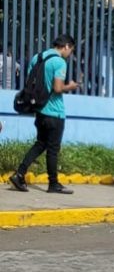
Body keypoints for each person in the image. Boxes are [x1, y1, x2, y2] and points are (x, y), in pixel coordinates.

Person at [9, 35, 81, 194]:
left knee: (40, 143)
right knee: (53, 148)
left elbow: (30, 82)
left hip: (39, 109)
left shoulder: (38, 57)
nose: (70, 54)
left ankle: (19, 174)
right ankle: (53, 184)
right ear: (67, 46)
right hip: (55, 111)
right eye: (71, 50)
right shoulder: (59, 62)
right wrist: (71, 86)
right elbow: (57, 88)